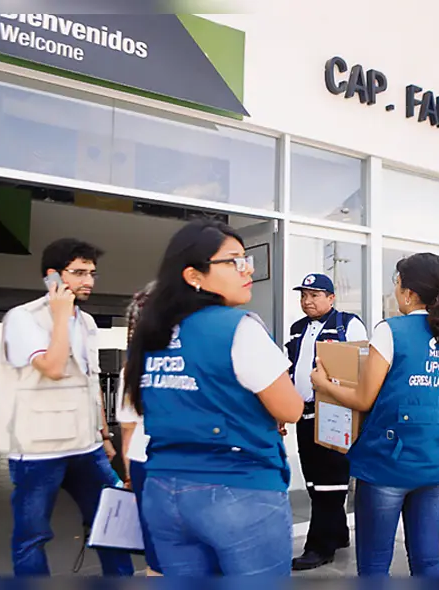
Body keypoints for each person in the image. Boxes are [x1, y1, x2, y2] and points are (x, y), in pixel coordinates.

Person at [123, 219, 304, 576]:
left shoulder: (151, 334)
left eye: (246, 259)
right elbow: (291, 408)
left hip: (164, 491)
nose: (247, 269)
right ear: (194, 276)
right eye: (234, 261)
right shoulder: (238, 328)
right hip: (238, 491)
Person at [310, 252, 439, 577]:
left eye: (396, 283)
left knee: (374, 563)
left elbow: (363, 398)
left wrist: (322, 384)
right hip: (436, 462)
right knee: (427, 561)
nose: (395, 290)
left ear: (409, 292)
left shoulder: (391, 330)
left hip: (387, 464)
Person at [0, 238, 134, 577]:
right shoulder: (22, 318)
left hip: (87, 448)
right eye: (79, 273)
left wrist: (104, 434)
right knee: (32, 536)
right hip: (39, 452)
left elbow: (91, 380)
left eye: (92, 273)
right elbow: (53, 367)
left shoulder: (87, 323)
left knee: (112, 526)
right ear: (52, 277)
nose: (89, 281)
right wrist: (59, 317)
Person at [284, 273, 367, 571]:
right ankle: (338, 532)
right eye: (304, 295)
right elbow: (289, 369)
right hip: (303, 415)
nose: (308, 300)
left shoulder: (347, 323)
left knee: (330, 484)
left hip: (335, 412)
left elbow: (362, 367)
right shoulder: (296, 330)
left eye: (315, 295)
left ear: (331, 298)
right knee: (312, 481)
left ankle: (320, 547)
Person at [116, 280, 161, 576]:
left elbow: (129, 428)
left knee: (156, 551)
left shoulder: (133, 366)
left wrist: (130, 474)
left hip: (144, 460)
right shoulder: (193, 357)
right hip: (186, 463)